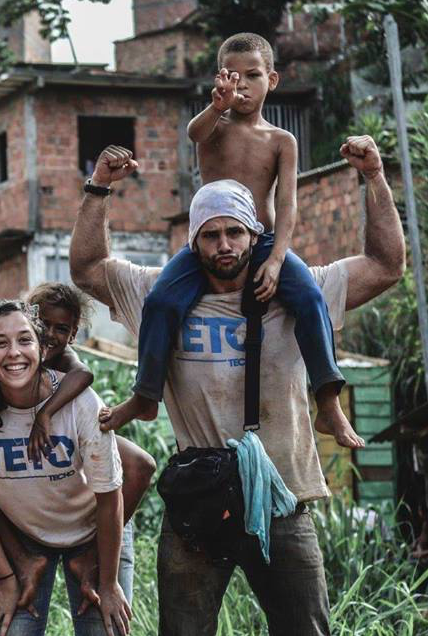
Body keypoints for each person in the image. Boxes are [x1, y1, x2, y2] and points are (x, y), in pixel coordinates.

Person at [70, 138, 405, 635]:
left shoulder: (297, 287)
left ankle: (327, 403)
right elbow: (87, 269)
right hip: (199, 498)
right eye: (210, 236)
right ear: (194, 242)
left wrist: (375, 177)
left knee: (306, 629)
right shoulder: (159, 292)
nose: (224, 245)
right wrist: (98, 187)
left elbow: (385, 266)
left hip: (281, 497)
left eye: (234, 233)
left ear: (255, 236)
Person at [109, 32, 364, 450]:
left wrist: (278, 259)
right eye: (233, 75)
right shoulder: (214, 127)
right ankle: (144, 396)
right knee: (160, 302)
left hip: (260, 242)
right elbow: (194, 132)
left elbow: (287, 204)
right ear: (220, 79)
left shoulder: (282, 140)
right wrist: (216, 106)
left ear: (273, 80)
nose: (242, 84)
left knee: (309, 298)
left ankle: (328, 400)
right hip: (208, 245)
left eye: (253, 75)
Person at [0, 299, 132, 636]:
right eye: (0, 343)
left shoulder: (81, 403)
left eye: (25, 340)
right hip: (23, 535)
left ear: (43, 349)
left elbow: (109, 496)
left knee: (106, 629)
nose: (14, 352)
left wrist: (108, 583)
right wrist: (4, 577)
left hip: (94, 531)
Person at [0, 282, 156, 522]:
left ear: (73, 334)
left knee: (138, 463)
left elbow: (84, 374)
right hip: (19, 439)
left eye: (61, 328)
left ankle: (104, 535)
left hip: (69, 430)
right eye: (44, 324)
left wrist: (45, 414)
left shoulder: (65, 358)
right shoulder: (14, 349)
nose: (49, 333)